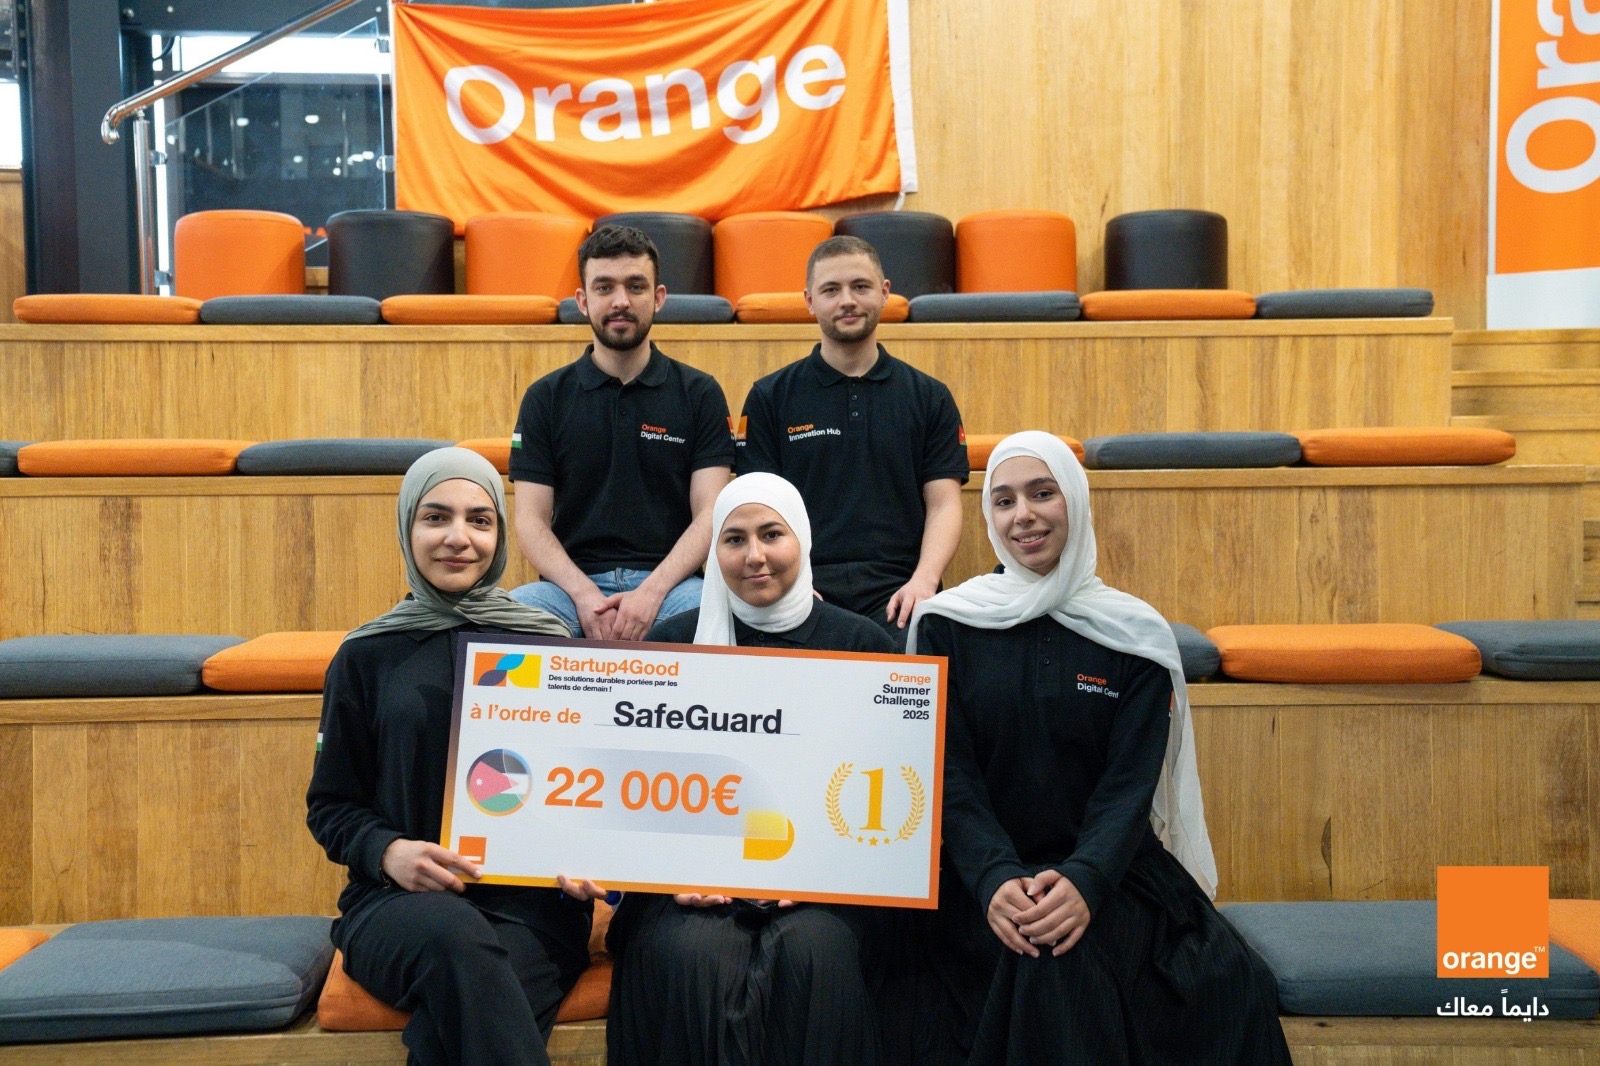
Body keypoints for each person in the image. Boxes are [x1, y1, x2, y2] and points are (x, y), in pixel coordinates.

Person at [905, 432, 1290, 1064]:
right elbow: (949, 773)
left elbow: (1129, 788)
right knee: (1021, 964)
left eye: (1042, 493)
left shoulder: (1135, 634)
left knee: (1217, 981)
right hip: (979, 878)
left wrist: (1085, 881)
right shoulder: (947, 624)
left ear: (1076, 502)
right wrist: (995, 877)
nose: (1023, 515)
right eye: (1004, 500)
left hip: (1113, 874)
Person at [306, 447, 593, 1066]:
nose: (458, 538)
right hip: (394, 904)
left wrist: (584, 850)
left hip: (531, 911)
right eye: (436, 517)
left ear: (499, 535)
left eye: (480, 521)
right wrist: (388, 851)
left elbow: (581, 786)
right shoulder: (364, 655)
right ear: (407, 527)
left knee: (448, 1034)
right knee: (455, 934)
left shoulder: (550, 648)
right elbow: (330, 806)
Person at [605, 472, 897, 1065]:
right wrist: (675, 872)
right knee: (691, 956)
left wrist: (818, 871)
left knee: (818, 953)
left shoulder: (864, 646)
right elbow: (633, 794)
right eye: (734, 539)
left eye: (771, 534)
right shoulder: (670, 645)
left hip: (826, 887)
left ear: (803, 540)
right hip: (687, 888)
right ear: (714, 552)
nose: (754, 556)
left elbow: (889, 796)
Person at [735, 235, 968, 650]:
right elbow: (758, 511)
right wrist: (789, 586)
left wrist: (925, 581)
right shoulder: (770, 397)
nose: (847, 301)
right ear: (810, 301)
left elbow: (944, 504)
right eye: (831, 290)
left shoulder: (929, 397)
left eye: (860, 287)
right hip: (802, 588)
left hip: (900, 591)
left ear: (884, 292)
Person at [509, 224, 734, 640]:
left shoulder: (699, 394)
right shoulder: (545, 397)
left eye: (635, 286)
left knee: (719, 613)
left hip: (673, 588)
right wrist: (584, 596)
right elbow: (529, 520)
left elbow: (710, 514)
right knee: (509, 617)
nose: (621, 301)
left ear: (658, 297)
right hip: (568, 588)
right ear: (583, 301)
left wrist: (651, 593)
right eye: (604, 287)